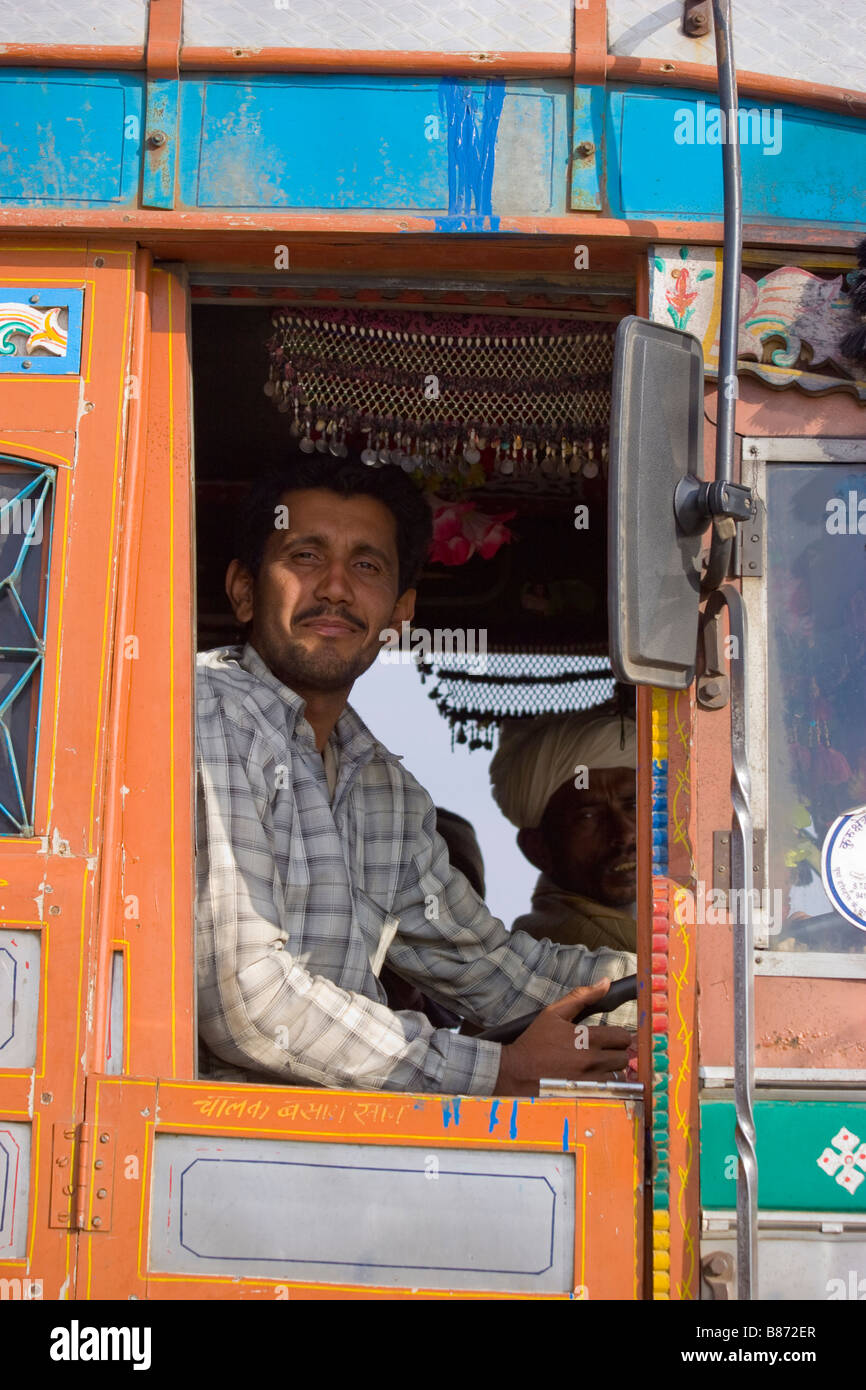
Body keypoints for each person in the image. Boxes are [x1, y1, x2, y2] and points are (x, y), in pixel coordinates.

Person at [195, 453, 635, 1097]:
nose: (336, 589)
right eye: (305, 557)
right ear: (243, 590)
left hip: (335, 1151)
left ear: (400, 611)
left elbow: (487, 967)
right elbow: (246, 1002)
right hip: (210, 1153)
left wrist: (661, 985)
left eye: (366, 566)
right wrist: (495, 1070)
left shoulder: (382, 788)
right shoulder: (209, 712)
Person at [489, 710, 638, 962]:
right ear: (537, 848)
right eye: (588, 817)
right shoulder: (557, 952)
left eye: (633, 806)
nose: (625, 833)